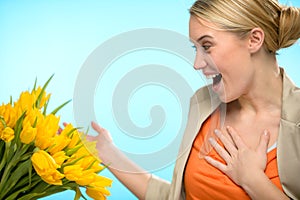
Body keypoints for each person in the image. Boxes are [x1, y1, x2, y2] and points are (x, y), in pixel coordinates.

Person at [88, 0, 300, 199]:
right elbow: (176, 196)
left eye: (206, 46)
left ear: (253, 40)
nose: (197, 63)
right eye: (195, 49)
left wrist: (254, 181)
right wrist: (107, 151)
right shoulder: (204, 103)